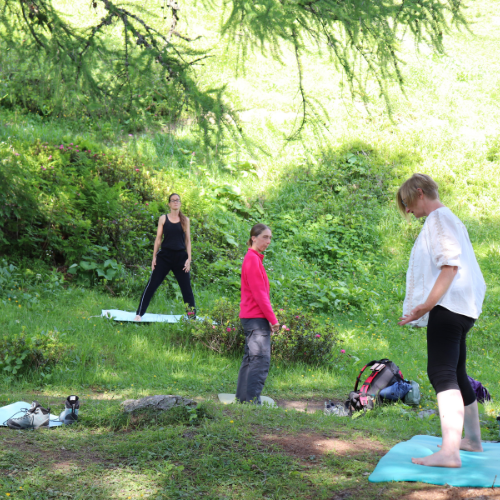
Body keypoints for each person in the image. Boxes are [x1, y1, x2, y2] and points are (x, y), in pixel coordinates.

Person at [397, 173, 486, 468]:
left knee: (441, 372)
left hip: (449, 306)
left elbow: (449, 266)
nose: (408, 211)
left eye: (408, 203)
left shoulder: (438, 219)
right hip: (463, 307)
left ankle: (450, 452)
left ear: (419, 193)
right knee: (456, 372)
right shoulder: (450, 219)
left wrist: (425, 306)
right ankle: (471, 439)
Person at [236, 224, 280, 404]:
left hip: (252, 317)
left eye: (270, 238)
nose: (268, 241)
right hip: (255, 319)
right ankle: (252, 402)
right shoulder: (252, 260)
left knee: (250, 360)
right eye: (264, 237)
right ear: (254, 238)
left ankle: (243, 399)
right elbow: (260, 294)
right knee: (259, 361)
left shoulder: (253, 258)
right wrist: (273, 320)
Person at [134, 193, 195, 321]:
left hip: (180, 258)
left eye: (178, 200)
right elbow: (158, 240)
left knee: (186, 289)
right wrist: (154, 257)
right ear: (169, 204)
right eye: (173, 200)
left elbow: (188, 241)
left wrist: (189, 260)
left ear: (180, 203)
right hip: (164, 256)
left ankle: (192, 318)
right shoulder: (163, 219)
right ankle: (139, 314)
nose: (175, 202)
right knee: (152, 284)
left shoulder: (185, 220)